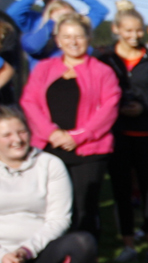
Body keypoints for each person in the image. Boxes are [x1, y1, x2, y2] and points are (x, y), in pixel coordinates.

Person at [0, 106, 99, 263]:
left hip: (37, 256)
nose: (17, 140)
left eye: (22, 132)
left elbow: (59, 219)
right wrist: (4, 255)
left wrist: (25, 251)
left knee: (82, 242)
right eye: (7, 135)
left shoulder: (50, 164)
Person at [21, 16, 120, 238]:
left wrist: (79, 136)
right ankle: (50, 258)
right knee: (49, 207)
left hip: (89, 151)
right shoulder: (44, 68)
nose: (73, 42)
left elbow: (109, 107)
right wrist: (51, 133)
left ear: (89, 38)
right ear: (57, 40)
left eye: (78, 36)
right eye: (66, 36)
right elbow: (30, 102)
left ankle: (83, 259)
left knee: (85, 208)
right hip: (49, 148)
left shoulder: (103, 71)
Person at [98, 9, 148, 263]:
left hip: (146, 135)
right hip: (115, 134)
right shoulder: (105, 57)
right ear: (116, 29)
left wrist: (145, 107)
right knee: (121, 192)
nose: (134, 35)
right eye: (128, 30)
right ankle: (128, 245)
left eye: (138, 30)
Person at [8, 0, 110, 61]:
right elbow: (12, 14)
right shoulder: (33, 20)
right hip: (44, 77)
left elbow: (101, 10)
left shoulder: (78, 23)